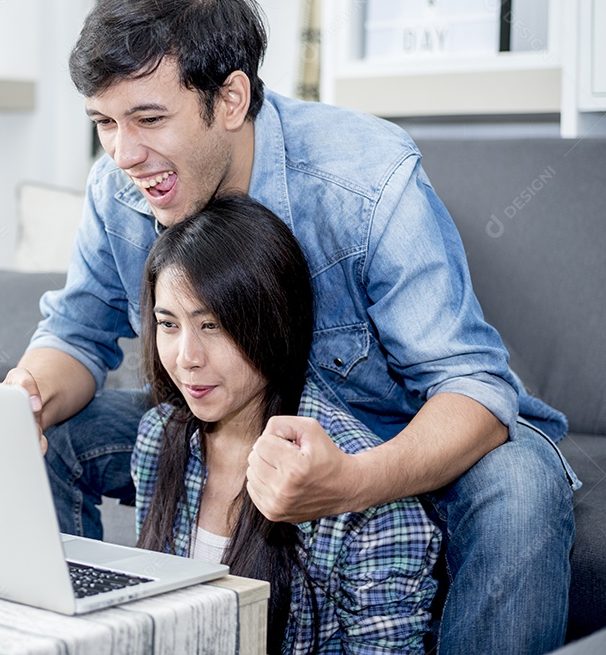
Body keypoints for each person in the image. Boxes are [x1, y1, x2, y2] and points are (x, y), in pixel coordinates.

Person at [4, 0, 578, 654]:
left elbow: (470, 384)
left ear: (231, 97)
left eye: (149, 118)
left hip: (394, 436)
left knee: (520, 487)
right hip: (234, 423)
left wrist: (352, 482)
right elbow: (74, 333)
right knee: (51, 436)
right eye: (105, 123)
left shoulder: (365, 179)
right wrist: (29, 395)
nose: (125, 153)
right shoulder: (119, 190)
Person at [134, 193, 440, 654]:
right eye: (169, 325)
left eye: (212, 325)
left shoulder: (372, 506)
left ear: (276, 321)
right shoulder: (159, 436)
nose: (187, 358)